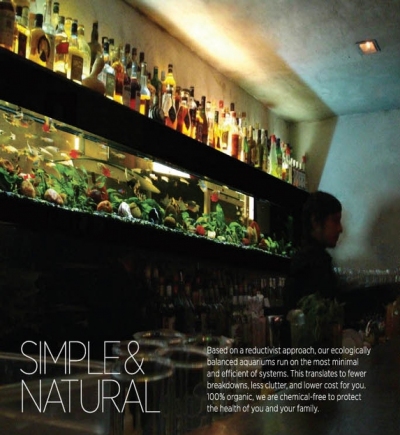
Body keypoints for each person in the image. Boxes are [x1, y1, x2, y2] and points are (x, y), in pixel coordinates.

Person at [284, 190, 343, 312]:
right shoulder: (313, 264)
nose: (340, 229)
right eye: (335, 221)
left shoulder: (303, 260)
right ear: (315, 221)